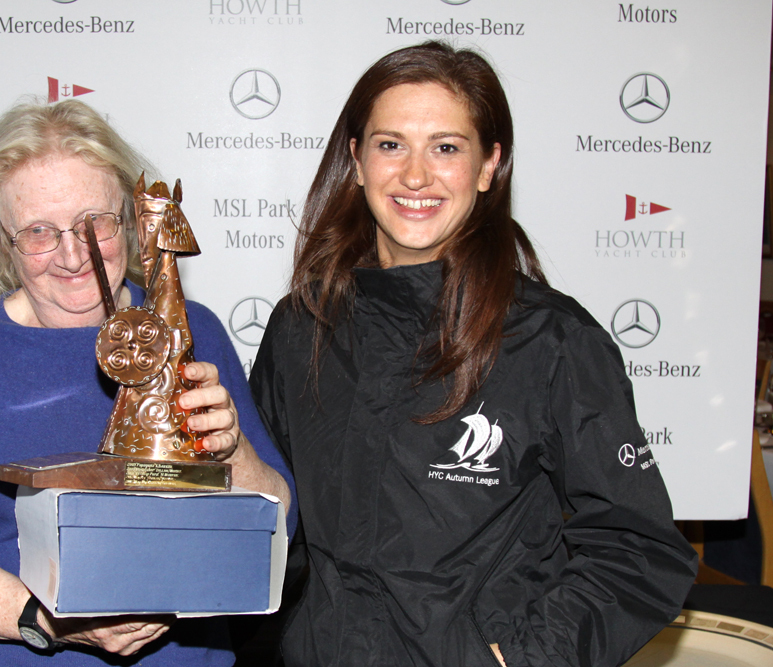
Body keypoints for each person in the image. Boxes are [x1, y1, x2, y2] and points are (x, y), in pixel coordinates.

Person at [249, 41, 697, 667]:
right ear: (355, 160)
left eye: (447, 147)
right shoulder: (302, 327)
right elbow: (271, 524)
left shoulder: (552, 341)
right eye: (390, 144)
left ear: (489, 166)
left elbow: (641, 550)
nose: (415, 175)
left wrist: (524, 658)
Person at [0, 98, 295, 667]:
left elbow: (279, 522)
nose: (74, 256)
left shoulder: (192, 332)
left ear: (129, 218)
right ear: (3, 242)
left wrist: (234, 449)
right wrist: (49, 621)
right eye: (39, 232)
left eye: (95, 223)